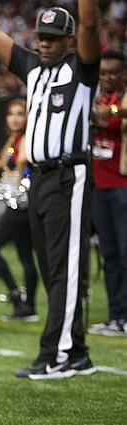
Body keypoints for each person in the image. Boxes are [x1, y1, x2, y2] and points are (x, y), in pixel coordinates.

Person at [0, 0, 99, 379]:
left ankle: (55, 355)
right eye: (41, 36)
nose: (44, 43)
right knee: (49, 267)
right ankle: (75, 350)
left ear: (69, 39)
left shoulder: (81, 68)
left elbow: (92, 26)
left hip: (68, 175)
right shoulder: (33, 69)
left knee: (66, 268)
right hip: (39, 179)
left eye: (53, 37)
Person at [0, 98, 39, 322]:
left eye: (19, 114)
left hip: (21, 204)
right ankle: (28, 306)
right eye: (10, 114)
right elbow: (0, 163)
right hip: (16, 202)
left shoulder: (25, 138)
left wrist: (12, 177)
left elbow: (22, 161)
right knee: (25, 255)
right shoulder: (14, 138)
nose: (14, 118)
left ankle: (18, 296)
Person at [88, 49, 126, 337]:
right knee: (109, 254)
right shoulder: (94, 97)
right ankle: (116, 316)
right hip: (99, 187)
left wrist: (112, 111)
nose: (108, 77)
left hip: (123, 186)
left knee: (125, 254)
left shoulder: (120, 100)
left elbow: (114, 116)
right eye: (103, 73)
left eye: (114, 72)